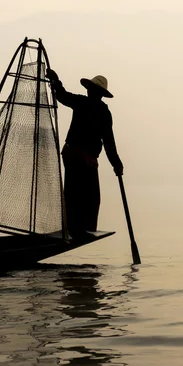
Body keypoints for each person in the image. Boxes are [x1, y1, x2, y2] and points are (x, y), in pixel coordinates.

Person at [45, 68, 124, 239]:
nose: (89, 91)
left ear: (93, 91)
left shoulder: (85, 104)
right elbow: (109, 143)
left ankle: (73, 228)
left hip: (74, 157)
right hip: (81, 159)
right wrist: (116, 164)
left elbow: (62, 95)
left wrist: (56, 81)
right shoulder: (102, 111)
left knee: (74, 194)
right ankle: (80, 230)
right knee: (89, 198)